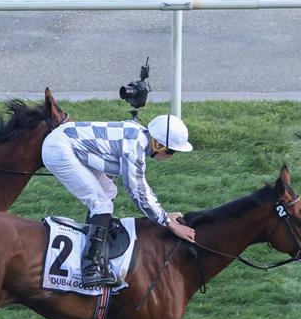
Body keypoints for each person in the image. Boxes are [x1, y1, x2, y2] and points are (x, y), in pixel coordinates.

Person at [41, 112, 196, 287]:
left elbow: (138, 186)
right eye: (171, 150)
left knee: (109, 190)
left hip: (66, 142)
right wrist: (169, 223)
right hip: (59, 149)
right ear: (158, 143)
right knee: (102, 204)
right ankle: (91, 269)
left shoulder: (139, 135)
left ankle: (93, 240)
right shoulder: (134, 148)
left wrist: (164, 215)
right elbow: (138, 192)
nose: (171, 156)